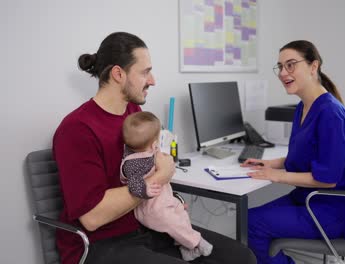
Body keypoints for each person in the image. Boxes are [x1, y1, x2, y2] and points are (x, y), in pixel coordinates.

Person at [53, 31, 256, 264]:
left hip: (145, 226)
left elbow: (144, 169)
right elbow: (92, 217)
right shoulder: (77, 129)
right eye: (145, 72)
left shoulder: (132, 114)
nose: (153, 80)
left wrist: (171, 199)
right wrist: (160, 177)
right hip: (100, 244)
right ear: (118, 74)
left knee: (242, 258)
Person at [242, 40, 345, 264]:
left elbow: (327, 179)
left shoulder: (330, 114)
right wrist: (274, 164)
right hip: (307, 199)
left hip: (331, 209)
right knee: (245, 219)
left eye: (291, 65)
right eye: (280, 66)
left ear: (313, 67)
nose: (283, 73)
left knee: (252, 224)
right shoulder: (303, 106)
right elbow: (309, 155)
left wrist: (279, 176)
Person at [120, 111, 213, 261]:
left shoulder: (148, 150)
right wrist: (145, 189)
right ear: (154, 143)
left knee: (180, 212)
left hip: (163, 199)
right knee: (172, 222)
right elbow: (133, 182)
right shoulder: (132, 162)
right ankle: (196, 242)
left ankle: (186, 248)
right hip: (151, 209)